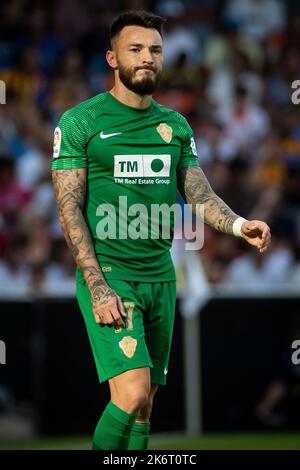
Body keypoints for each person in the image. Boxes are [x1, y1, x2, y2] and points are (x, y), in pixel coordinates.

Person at [51, 10, 271, 451]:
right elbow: (69, 208)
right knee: (131, 395)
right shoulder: (80, 123)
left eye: (155, 50)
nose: (148, 58)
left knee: (144, 406)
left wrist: (240, 224)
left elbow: (199, 194)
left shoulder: (176, 127)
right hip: (111, 275)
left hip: (161, 276)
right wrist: (96, 286)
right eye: (136, 49)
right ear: (113, 58)